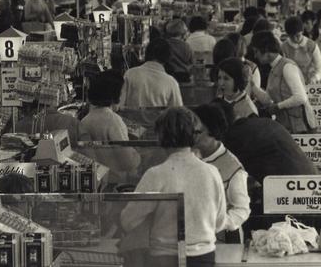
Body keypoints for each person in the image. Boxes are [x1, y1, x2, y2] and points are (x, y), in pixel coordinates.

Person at [121, 107, 227, 267]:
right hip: (204, 258)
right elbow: (219, 223)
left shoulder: (155, 174)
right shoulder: (212, 172)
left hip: (164, 259)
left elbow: (128, 220)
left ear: (161, 137)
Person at [214, 62, 317, 183]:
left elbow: (246, 152)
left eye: (226, 78)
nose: (221, 83)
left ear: (237, 80)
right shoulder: (219, 101)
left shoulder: (249, 110)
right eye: (219, 78)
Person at [192, 103, 250, 232]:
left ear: (213, 131)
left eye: (198, 132)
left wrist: (217, 225)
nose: (192, 136)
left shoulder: (233, 167)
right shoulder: (189, 155)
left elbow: (241, 210)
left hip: (222, 239)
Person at [250, 31, 317, 134]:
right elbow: (268, 99)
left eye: (256, 51)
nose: (255, 56)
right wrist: (251, 84)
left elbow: (301, 97)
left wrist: (278, 107)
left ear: (266, 50)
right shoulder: (274, 69)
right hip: (288, 125)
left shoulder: (287, 67)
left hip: (301, 127)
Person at [119, 38, 183, 109]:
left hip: (130, 119)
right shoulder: (171, 83)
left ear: (147, 53)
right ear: (168, 57)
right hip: (159, 120)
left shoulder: (130, 74)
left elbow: (120, 106)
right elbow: (178, 112)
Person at [80, 72, 129, 142]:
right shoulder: (114, 121)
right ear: (115, 95)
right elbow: (125, 150)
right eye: (121, 93)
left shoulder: (85, 121)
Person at [281, 17, 321, 85]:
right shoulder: (284, 47)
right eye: (292, 37)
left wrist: (316, 77)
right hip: (291, 83)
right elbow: (281, 70)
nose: (295, 39)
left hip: (309, 82)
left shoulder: (312, 45)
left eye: (298, 36)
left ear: (302, 31)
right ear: (288, 35)